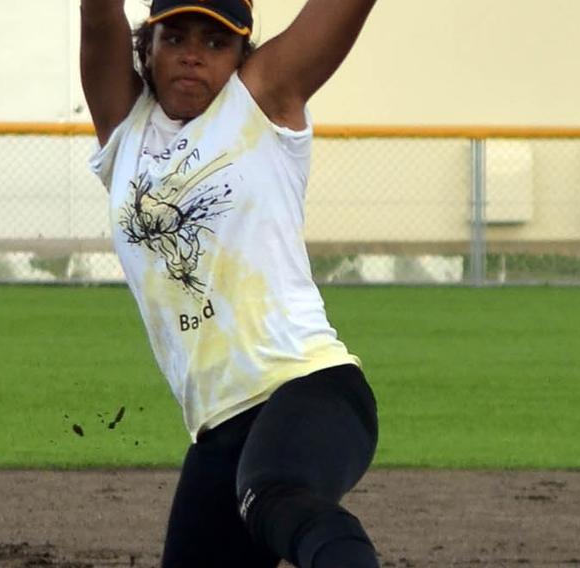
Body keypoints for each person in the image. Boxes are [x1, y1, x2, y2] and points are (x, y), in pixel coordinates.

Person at [81, 0, 380, 566]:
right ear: (146, 49)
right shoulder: (127, 130)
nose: (193, 56)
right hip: (217, 430)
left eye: (217, 43)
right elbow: (98, 17)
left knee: (277, 496)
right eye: (176, 39)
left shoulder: (260, 100)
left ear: (245, 54)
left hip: (308, 388)